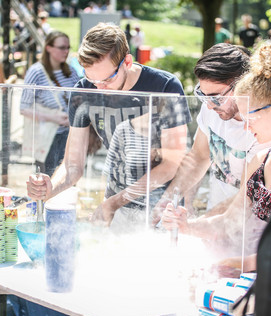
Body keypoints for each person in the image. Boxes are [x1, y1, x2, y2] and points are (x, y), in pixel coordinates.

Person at [160, 38, 271, 273]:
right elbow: (229, 221)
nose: (245, 126)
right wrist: (186, 226)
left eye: (250, 118)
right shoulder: (260, 160)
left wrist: (243, 264)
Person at [26, 23, 190, 231]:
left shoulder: (165, 87)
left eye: (107, 79)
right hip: (115, 206)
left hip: (161, 206)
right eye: (92, 79)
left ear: (127, 62)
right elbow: (72, 165)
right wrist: (51, 187)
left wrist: (113, 203)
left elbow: (171, 165)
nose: (99, 88)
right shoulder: (83, 91)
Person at [152, 43, 268, 225]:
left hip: (250, 230)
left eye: (216, 97)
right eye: (202, 95)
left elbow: (246, 196)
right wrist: (167, 202)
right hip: (213, 222)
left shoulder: (262, 126)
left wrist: (196, 225)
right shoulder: (213, 109)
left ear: (244, 85)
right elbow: (198, 157)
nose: (209, 105)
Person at [20, 30, 80, 177]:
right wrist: (54, 118)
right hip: (47, 137)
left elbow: (80, 99)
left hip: (70, 134)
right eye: (62, 47)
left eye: (68, 47)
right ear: (49, 48)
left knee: (68, 177)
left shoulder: (71, 71)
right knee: (48, 179)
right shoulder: (36, 72)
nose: (66, 51)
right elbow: (24, 108)